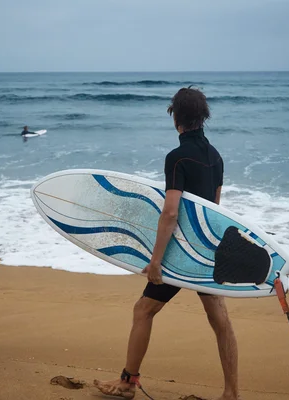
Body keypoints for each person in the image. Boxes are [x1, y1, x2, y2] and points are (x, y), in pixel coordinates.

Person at [94, 87, 239, 400]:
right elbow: (213, 209)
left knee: (143, 310)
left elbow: (170, 212)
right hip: (204, 252)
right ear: (203, 117)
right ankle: (231, 393)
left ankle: (128, 383)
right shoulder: (215, 156)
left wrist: (157, 260)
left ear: (177, 118)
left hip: (178, 254)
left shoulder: (177, 158)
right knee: (221, 321)